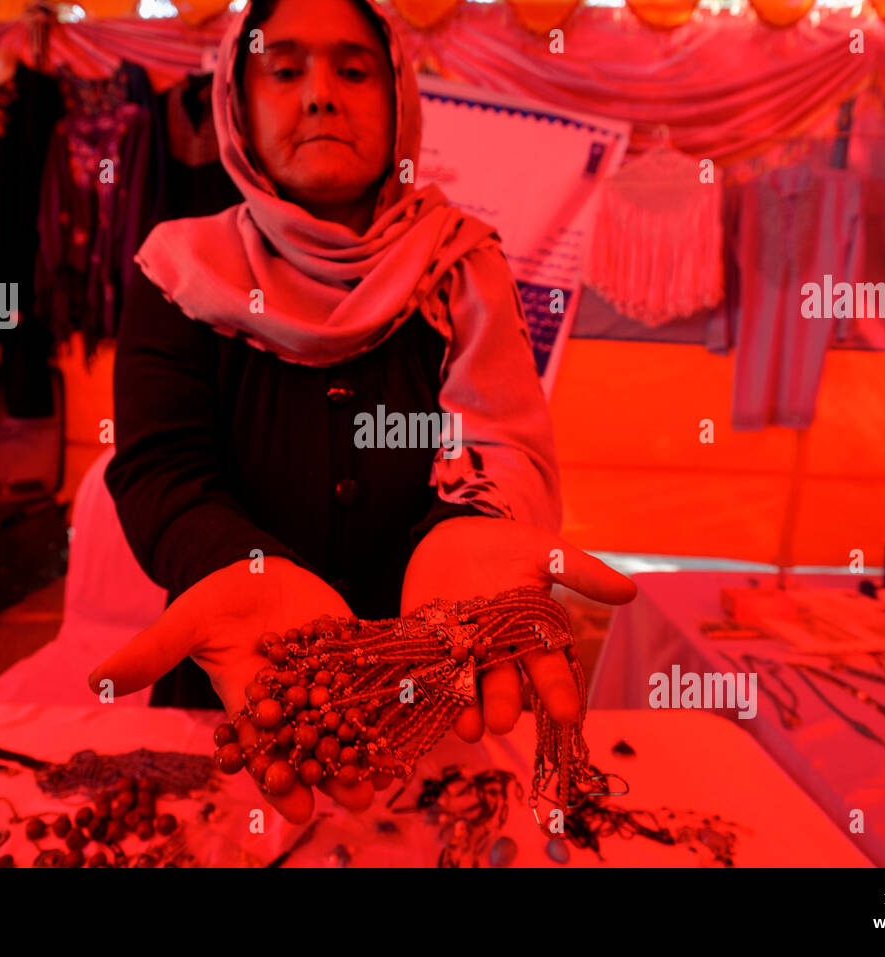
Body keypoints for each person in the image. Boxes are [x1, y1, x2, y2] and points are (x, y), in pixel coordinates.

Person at [91, 0, 636, 824]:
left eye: (353, 70)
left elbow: (495, 448)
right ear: (237, 102)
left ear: (400, 101)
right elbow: (162, 473)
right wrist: (246, 571)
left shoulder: (463, 266)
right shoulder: (180, 271)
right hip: (248, 686)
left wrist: (466, 531)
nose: (319, 95)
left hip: (434, 688)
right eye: (284, 70)